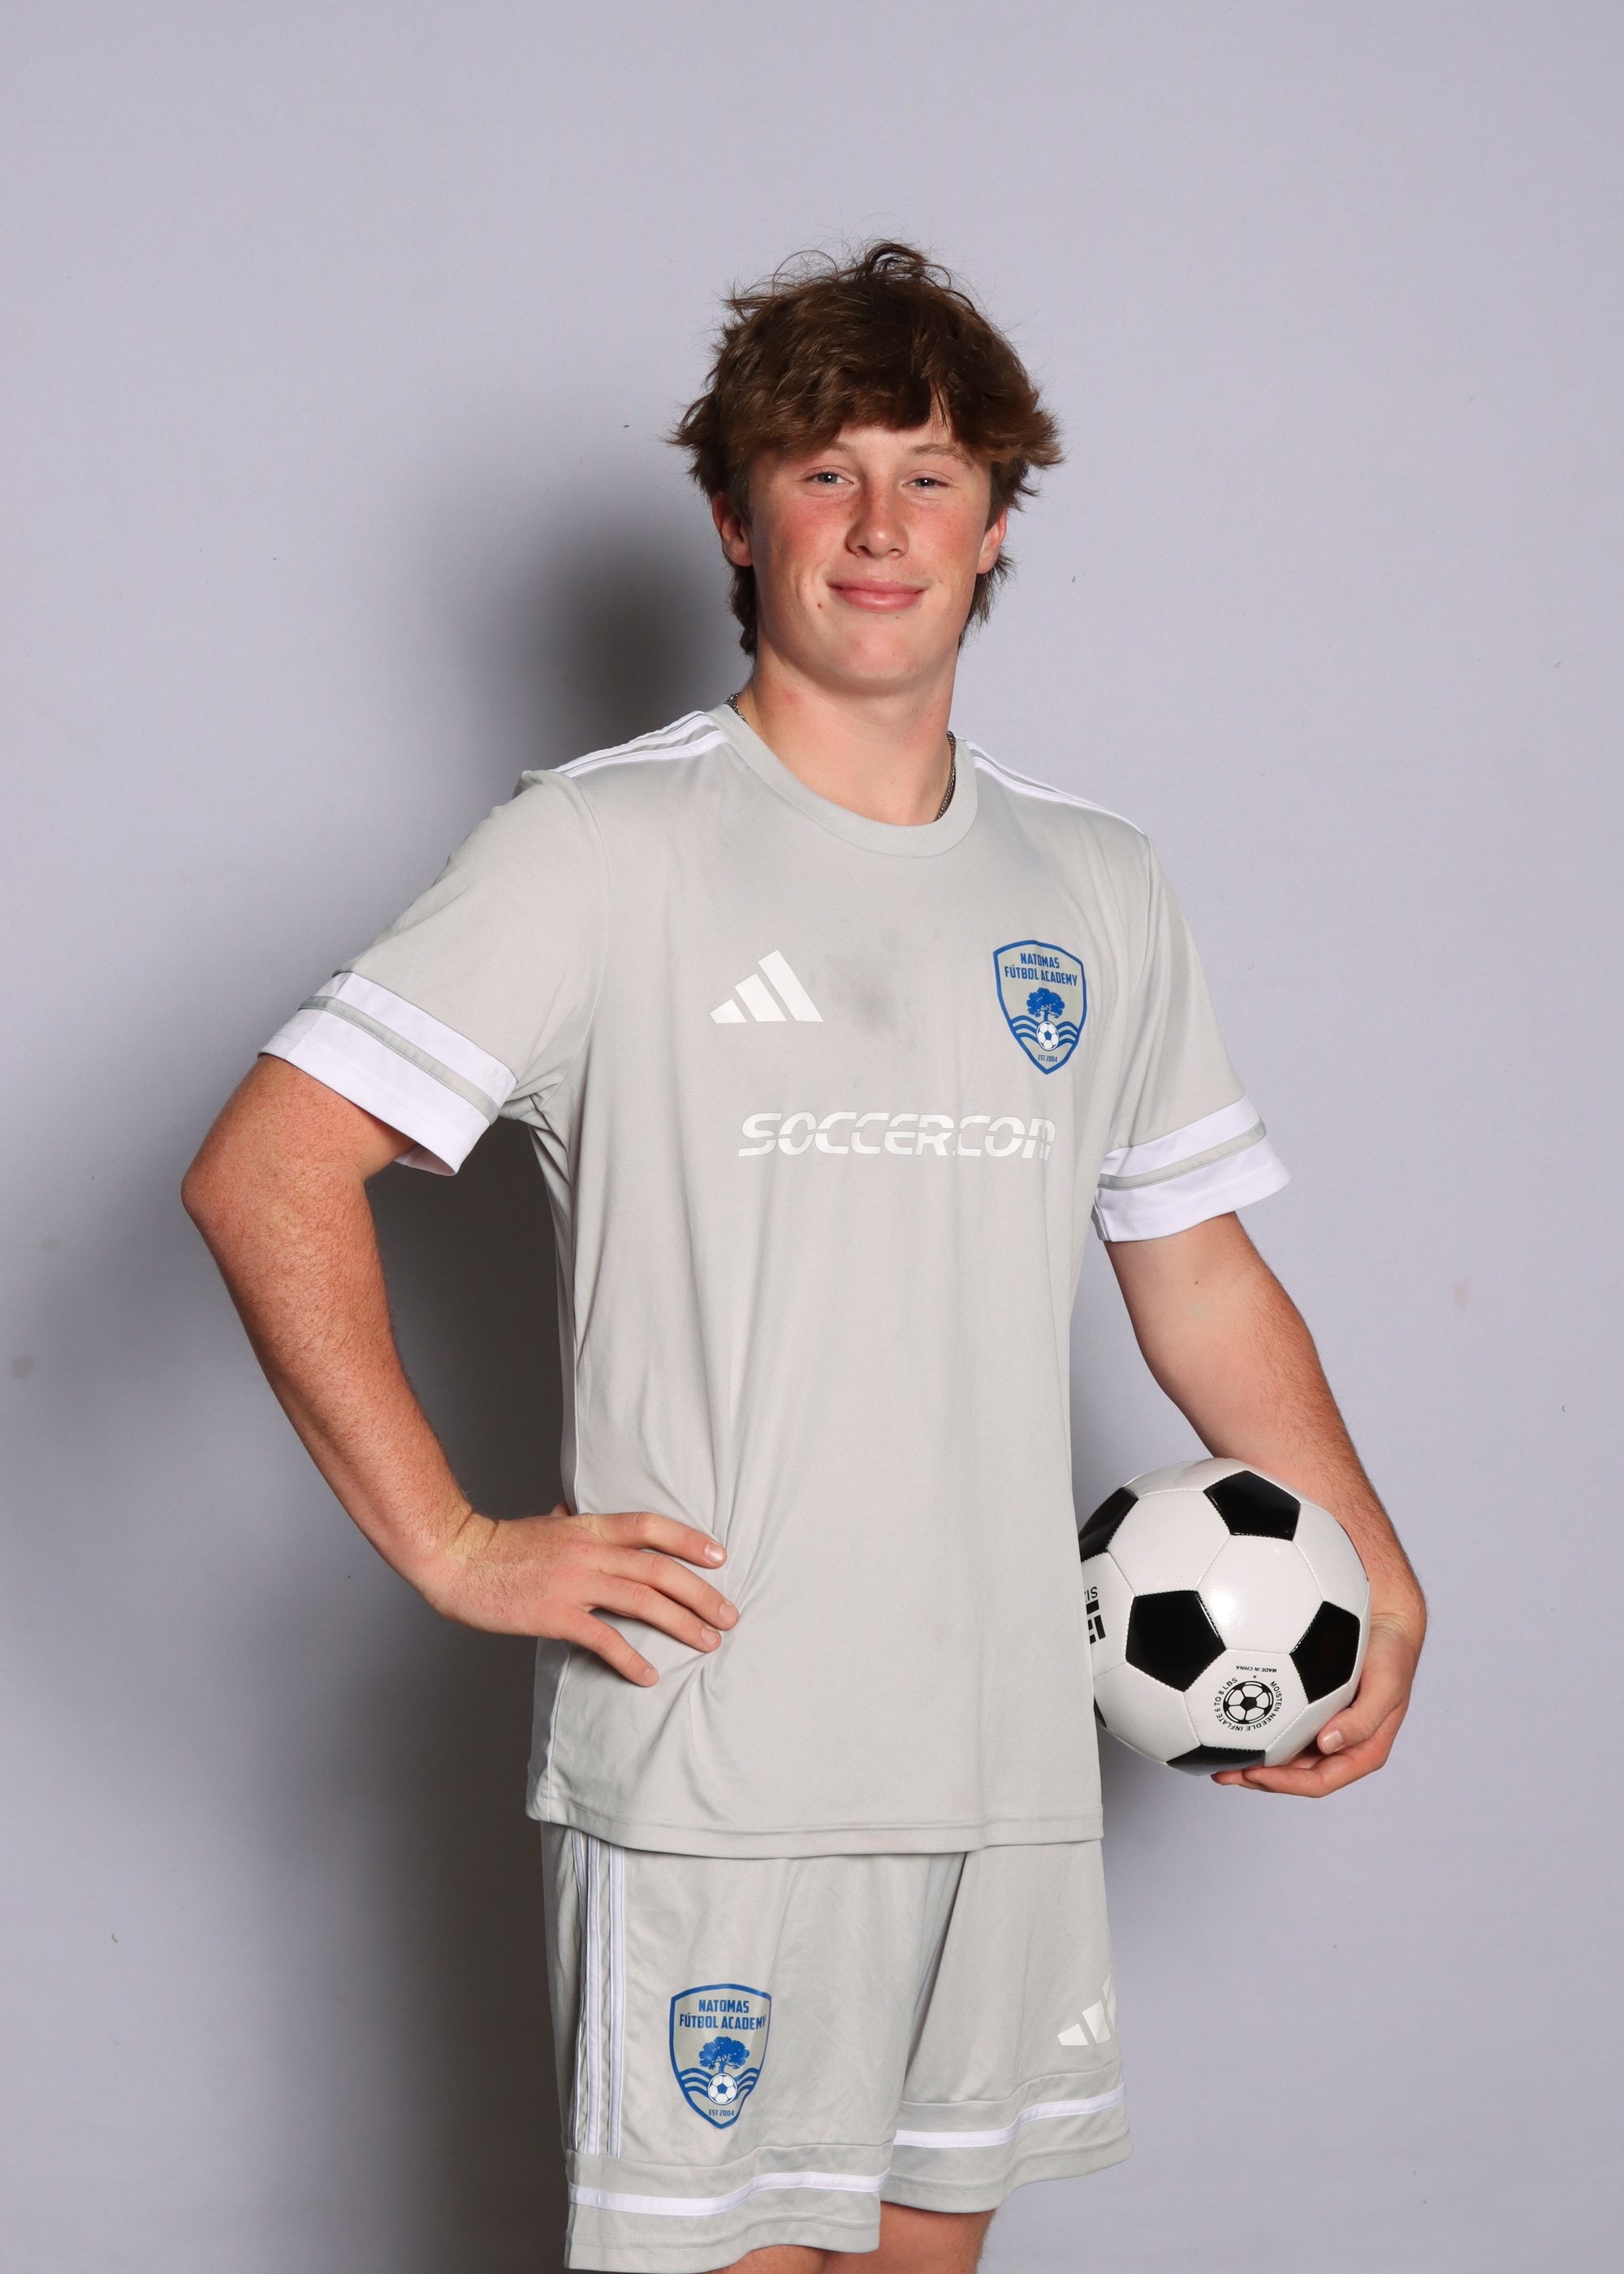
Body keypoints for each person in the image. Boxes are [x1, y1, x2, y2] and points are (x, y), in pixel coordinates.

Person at [184, 243, 1426, 2274]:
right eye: (823, 470)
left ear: (996, 522)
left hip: (1003, 1758)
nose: (877, 523)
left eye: (929, 475)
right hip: (720, 1767)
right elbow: (267, 1173)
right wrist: (454, 1541)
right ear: (734, 519)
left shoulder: (1095, 880)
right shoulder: (598, 846)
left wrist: (1368, 1558)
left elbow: (1193, 1267)